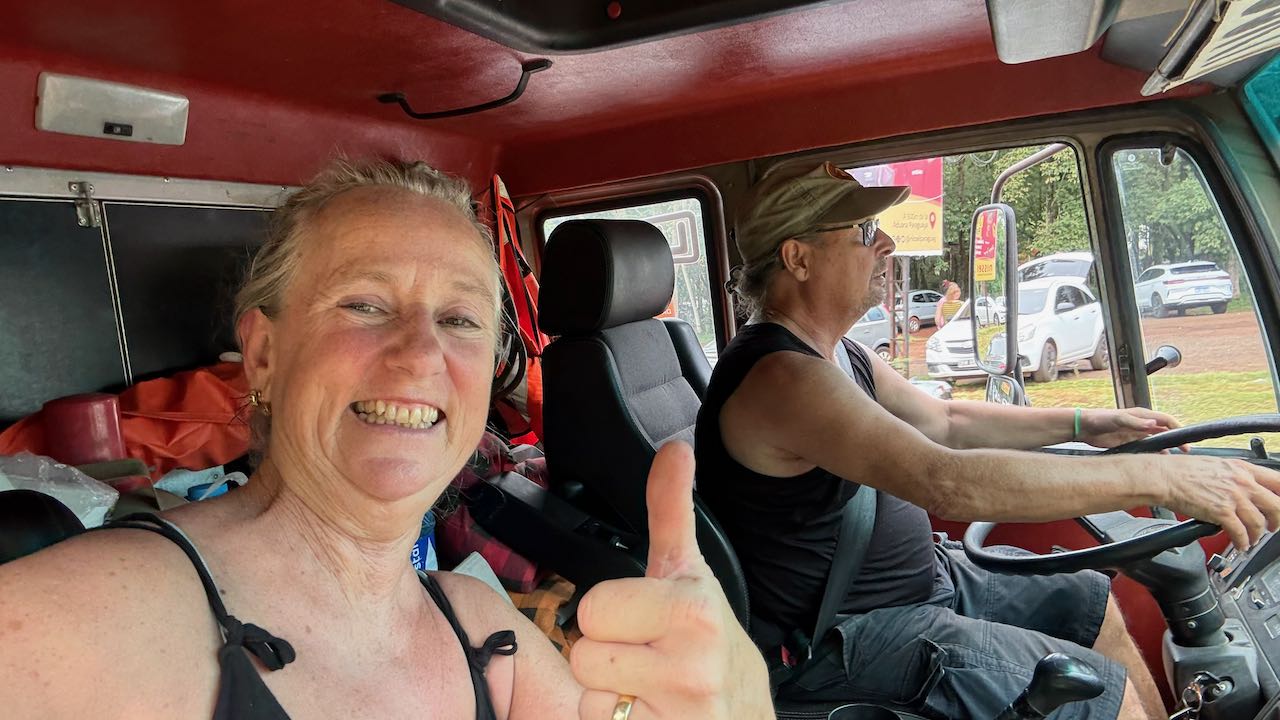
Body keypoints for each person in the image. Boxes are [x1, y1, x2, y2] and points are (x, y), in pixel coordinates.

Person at [0, 160, 772, 720]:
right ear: (263, 355)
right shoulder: (67, 628)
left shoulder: (484, 630)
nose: (421, 355)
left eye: (460, 319)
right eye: (365, 305)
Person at [697, 161, 1280, 720]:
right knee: (1104, 696)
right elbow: (944, 481)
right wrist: (1163, 478)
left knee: (1093, 604)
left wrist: (1086, 424)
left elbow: (946, 420)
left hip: (923, 585)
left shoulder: (838, 354)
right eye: (864, 232)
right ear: (798, 258)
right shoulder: (781, 378)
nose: (886, 245)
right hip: (847, 635)